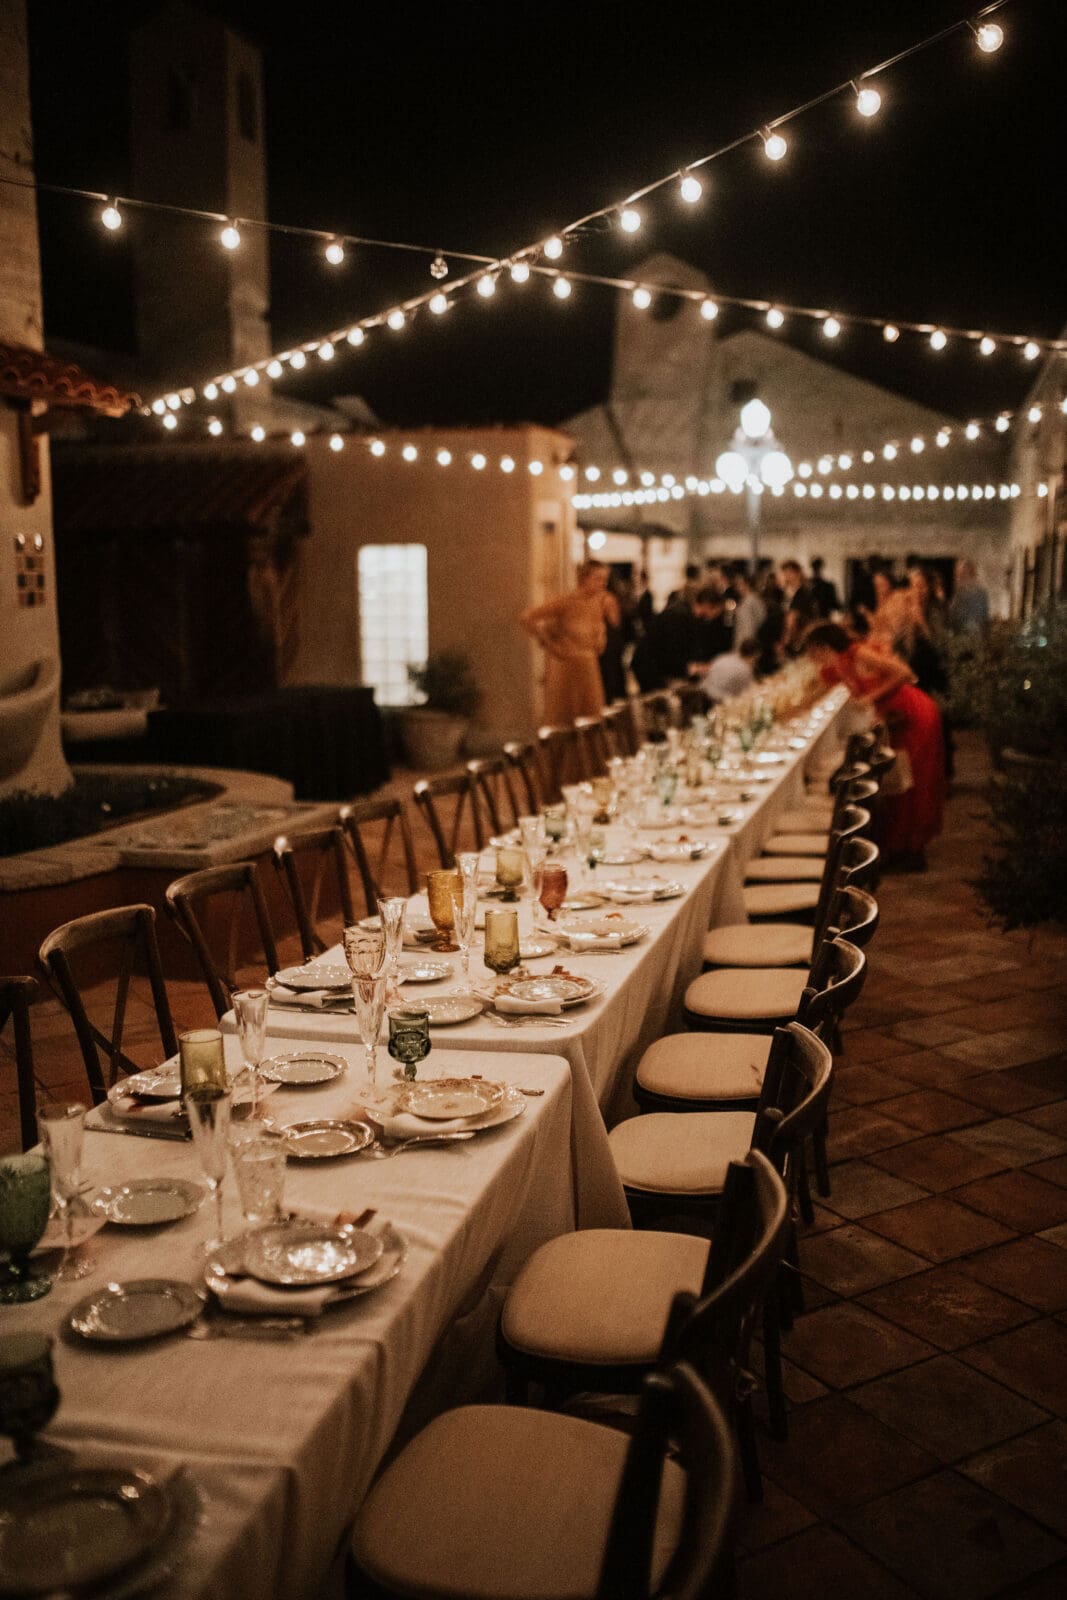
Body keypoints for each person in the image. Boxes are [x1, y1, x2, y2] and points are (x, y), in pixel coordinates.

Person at [804, 621, 945, 869]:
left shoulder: (859, 653)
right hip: (895, 717)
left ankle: (911, 851)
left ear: (823, 646)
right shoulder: (839, 664)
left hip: (913, 713)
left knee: (912, 781)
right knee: (899, 783)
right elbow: (814, 694)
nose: (812, 658)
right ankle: (901, 849)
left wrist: (871, 697)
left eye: (813, 651)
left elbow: (903, 673)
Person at [520, 559, 619, 723]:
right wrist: (550, 644)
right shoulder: (566, 601)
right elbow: (527, 617)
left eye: (604, 579)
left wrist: (600, 638)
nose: (602, 584)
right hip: (567, 668)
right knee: (566, 716)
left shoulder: (598, 603)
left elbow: (601, 631)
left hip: (589, 667)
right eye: (598, 578)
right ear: (584, 578)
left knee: (592, 714)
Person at [631, 586, 726, 691]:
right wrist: (692, 668)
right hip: (648, 666)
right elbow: (670, 652)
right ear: (707, 605)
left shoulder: (687, 615)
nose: (716, 616)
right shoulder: (678, 616)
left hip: (655, 664)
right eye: (717, 611)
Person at [702, 637, 760, 703]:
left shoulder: (724, 657)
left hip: (704, 693)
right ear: (755, 655)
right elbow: (749, 693)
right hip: (718, 701)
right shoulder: (744, 669)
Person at [779, 559, 818, 653]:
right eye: (785, 573)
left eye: (790, 573)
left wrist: (785, 639)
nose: (787, 577)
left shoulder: (802, 593)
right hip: (798, 634)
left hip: (799, 635)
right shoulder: (790, 593)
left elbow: (792, 618)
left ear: (798, 573)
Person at [948, 559, 990, 634]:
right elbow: (985, 616)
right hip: (977, 633)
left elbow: (955, 616)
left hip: (965, 633)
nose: (957, 577)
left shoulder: (962, 592)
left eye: (960, 574)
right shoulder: (982, 592)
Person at [731, 563, 766, 649]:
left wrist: (745, 647)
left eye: (739, 584)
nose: (737, 587)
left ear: (745, 584)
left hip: (746, 646)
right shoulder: (756, 599)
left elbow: (748, 628)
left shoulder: (748, 602)